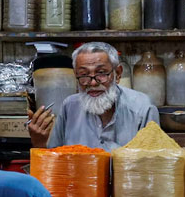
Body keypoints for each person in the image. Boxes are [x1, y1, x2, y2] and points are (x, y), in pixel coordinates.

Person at [28, 42, 159, 152]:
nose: (93, 82)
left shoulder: (142, 108)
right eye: (83, 74)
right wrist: (39, 143)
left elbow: (150, 166)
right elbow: (55, 162)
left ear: (117, 74)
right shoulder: (69, 106)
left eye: (101, 73)